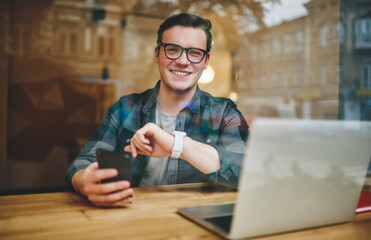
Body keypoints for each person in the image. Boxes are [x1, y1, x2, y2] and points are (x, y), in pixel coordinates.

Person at [66, 13, 249, 207]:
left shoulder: (224, 114)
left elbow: (248, 173)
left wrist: (176, 145)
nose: (183, 61)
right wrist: (84, 181)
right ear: (157, 54)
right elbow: (82, 163)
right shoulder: (124, 109)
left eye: (195, 53)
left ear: (205, 61)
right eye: (173, 49)